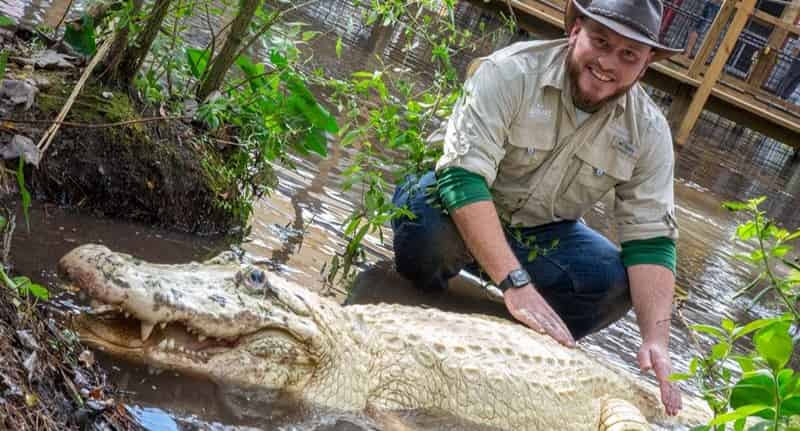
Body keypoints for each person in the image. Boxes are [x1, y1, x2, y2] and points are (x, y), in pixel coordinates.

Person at [390, 0, 684, 416]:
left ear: (646, 64)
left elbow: (651, 239)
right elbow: (461, 178)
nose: (607, 64)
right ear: (575, 30)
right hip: (454, 204)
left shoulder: (650, 131)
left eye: (628, 55)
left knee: (614, 284)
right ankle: (423, 309)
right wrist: (516, 284)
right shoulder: (508, 71)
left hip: (542, 231)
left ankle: (502, 346)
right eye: (600, 42)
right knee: (426, 232)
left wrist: (656, 340)